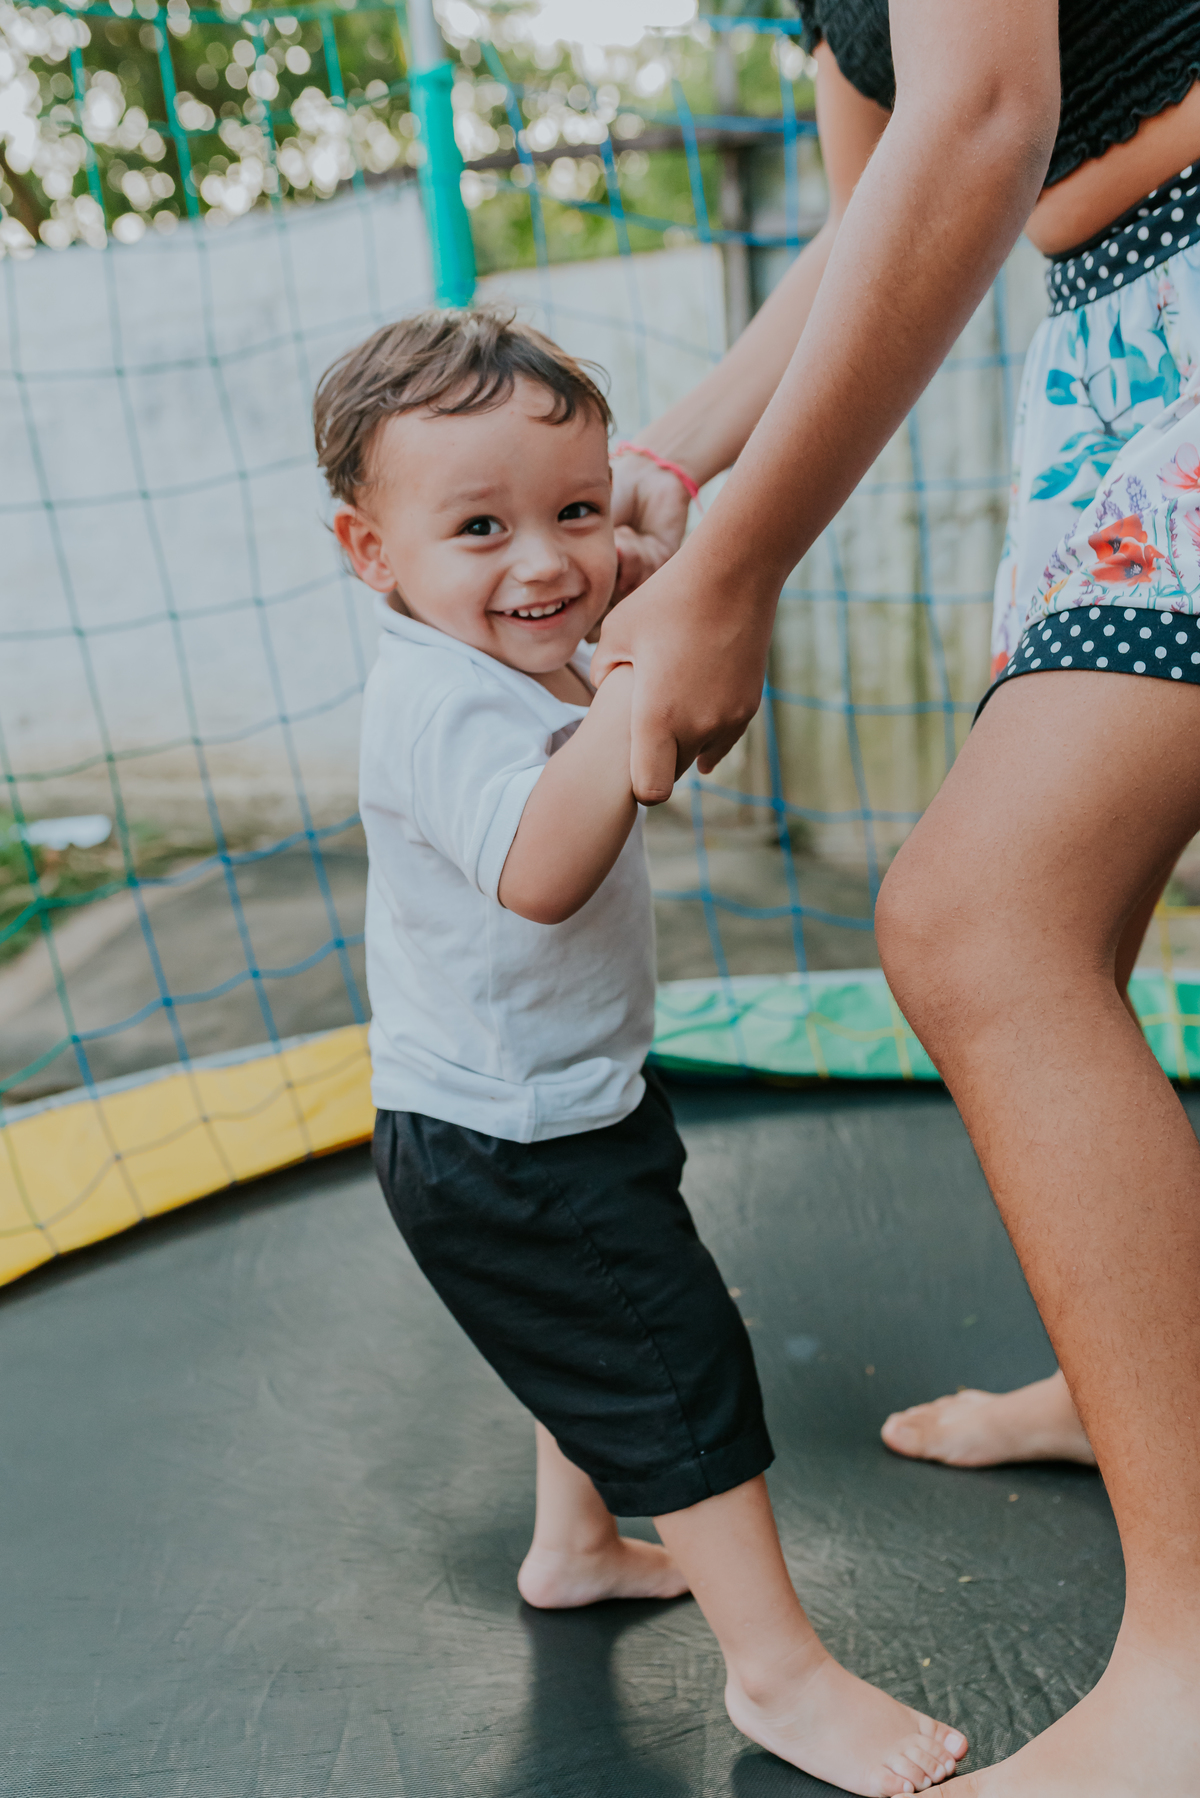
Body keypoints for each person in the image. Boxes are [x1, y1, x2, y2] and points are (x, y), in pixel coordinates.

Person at [595, 2, 1200, 1789]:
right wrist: (677, 473)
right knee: (1066, 916)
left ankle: (1189, 1668)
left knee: (978, 918)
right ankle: (1140, 1391)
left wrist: (742, 569)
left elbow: (987, 119)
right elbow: (873, 221)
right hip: (1109, 350)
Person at [311, 307, 969, 1796]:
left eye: (575, 511)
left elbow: (640, 678)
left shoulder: (526, 643)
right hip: (508, 1139)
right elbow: (541, 867)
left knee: (596, 1341)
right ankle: (779, 1675)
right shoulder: (433, 701)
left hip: (563, 1095)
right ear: (372, 552)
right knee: (674, 1366)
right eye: (478, 526)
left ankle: (576, 1543)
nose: (544, 562)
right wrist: (629, 683)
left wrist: (642, 620)